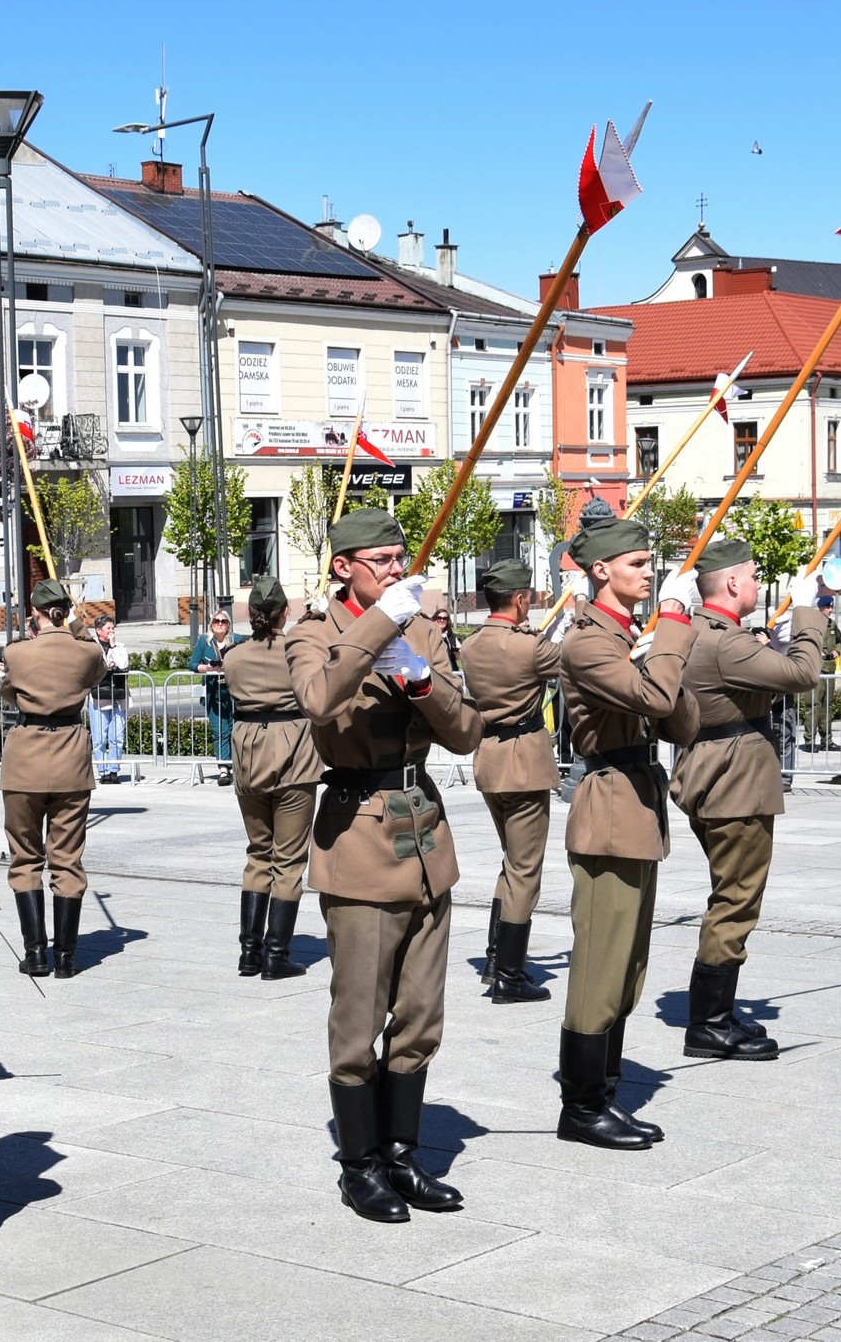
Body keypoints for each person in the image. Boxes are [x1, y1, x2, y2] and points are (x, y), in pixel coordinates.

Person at [283, 508, 484, 1223]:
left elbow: (467, 733)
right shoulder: (313, 633)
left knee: (421, 1013)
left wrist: (423, 680)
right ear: (343, 567)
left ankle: (401, 1154)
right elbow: (318, 698)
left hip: (422, 832)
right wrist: (378, 629)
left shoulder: (419, 630)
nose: (398, 571)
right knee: (359, 1014)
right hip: (359, 837)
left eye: (401, 560)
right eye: (382, 561)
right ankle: (360, 1165)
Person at [554, 517, 700, 1150]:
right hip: (610, 809)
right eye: (637, 563)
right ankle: (582, 1106)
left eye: (649, 561)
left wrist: (661, 649)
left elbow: (681, 720)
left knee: (629, 967)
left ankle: (605, 1092)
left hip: (638, 807)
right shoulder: (588, 643)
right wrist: (674, 624)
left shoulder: (628, 638)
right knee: (601, 964)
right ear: (601, 571)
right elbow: (658, 702)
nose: (649, 571)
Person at [669, 541, 825, 1062]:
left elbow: (755, 685)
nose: (759, 584)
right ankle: (709, 1024)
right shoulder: (726, 642)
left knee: (730, 896)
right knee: (735, 902)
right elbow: (803, 675)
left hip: (718, 773)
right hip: (735, 782)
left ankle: (719, 1011)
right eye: (754, 576)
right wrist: (807, 614)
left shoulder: (702, 632)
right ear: (733, 583)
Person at [458, 559, 562, 1004]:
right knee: (524, 869)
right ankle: (509, 975)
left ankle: (495, 957)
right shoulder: (530, 647)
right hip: (523, 762)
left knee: (511, 862)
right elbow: (577, 662)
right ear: (519, 599)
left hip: (491, 758)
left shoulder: (471, 645)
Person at [0, 580, 105, 978]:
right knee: (67, 860)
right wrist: (75, 625)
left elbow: (9, 691)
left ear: (35, 613)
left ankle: (36, 954)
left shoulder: (16, 652)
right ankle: (65, 957)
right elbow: (96, 672)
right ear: (66, 610)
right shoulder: (87, 650)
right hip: (71, 760)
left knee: (26, 858)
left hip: (25, 758)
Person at [222, 576, 322, 979]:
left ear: (250, 614)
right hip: (294, 752)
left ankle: (249, 952)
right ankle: (277, 955)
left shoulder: (233, 657)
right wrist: (314, 621)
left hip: (249, 753)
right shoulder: (298, 651)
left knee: (258, 854)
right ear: (285, 612)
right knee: (289, 859)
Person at [191, 611, 242, 786]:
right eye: (216, 621)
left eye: (223, 621)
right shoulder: (204, 641)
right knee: (220, 731)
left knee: (235, 731)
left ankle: (237, 766)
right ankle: (223, 769)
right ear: (211, 624)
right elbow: (192, 664)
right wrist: (208, 668)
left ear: (228, 624)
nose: (219, 624)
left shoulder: (236, 640)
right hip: (214, 693)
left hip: (234, 692)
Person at [797, 593, 841, 751]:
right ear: (820, 608)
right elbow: (802, 642)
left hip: (829, 668)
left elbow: (839, 640)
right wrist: (815, 651)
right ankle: (809, 740)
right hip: (816, 669)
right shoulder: (812, 625)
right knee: (814, 705)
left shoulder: (832, 624)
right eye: (827, 607)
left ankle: (827, 740)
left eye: (831, 607)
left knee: (827, 706)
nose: (830, 610)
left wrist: (837, 650)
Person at [89, 615, 130, 784]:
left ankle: (113, 770)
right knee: (99, 738)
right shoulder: (92, 648)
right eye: (108, 628)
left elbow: (123, 664)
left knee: (117, 736)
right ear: (99, 631)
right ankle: (103, 771)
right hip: (99, 696)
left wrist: (113, 646)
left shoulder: (119, 646)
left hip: (118, 695)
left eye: (113, 628)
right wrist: (105, 666)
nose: (112, 631)